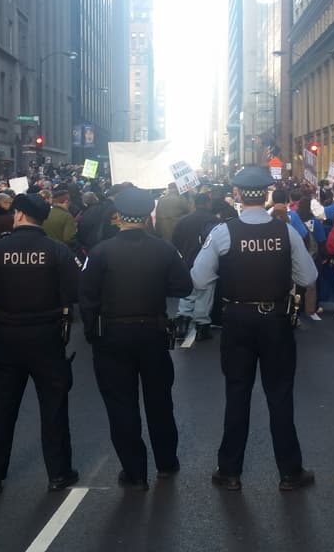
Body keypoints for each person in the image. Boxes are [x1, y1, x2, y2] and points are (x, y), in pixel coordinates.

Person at [190, 166, 319, 492]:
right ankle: (290, 472)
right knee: (280, 396)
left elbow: (199, 279)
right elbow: (308, 277)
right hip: (275, 320)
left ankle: (229, 471)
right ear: (266, 194)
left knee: (237, 394)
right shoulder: (285, 231)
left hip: (236, 319)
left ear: (236, 195)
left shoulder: (223, 232)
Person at [79, 189, 193, 489]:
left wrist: (93, 333)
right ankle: (166, 462)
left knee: (121, 404)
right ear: (146, 217)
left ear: (118, 217)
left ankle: (135, 472)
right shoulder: (164, 250)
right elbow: (184, 285)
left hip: (113, 334)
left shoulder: (100, 252)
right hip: (153, 333)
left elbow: (87, 297)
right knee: (159, 401)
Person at [0, 193, 81, 494]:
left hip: (6, 336)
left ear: (18, 215)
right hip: (46, 337)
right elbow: (73, 291)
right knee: (54, 409)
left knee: (3, 410)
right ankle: (59, 473)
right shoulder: (57, 251)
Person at [171, 192, 222, 341]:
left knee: (187, 294)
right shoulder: (214, 220)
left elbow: (175, 241)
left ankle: (181, 324)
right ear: (208, 203)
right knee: (204, 294)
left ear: (194, 204)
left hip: (187, 262)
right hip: (207, 262)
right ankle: (202, 326)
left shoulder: (183, 221)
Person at [41, 185, 78, 250]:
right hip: (59, 251)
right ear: (66, 201)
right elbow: (69, 239)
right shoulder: (67, 216)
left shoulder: (44, 212)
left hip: (44, 250)